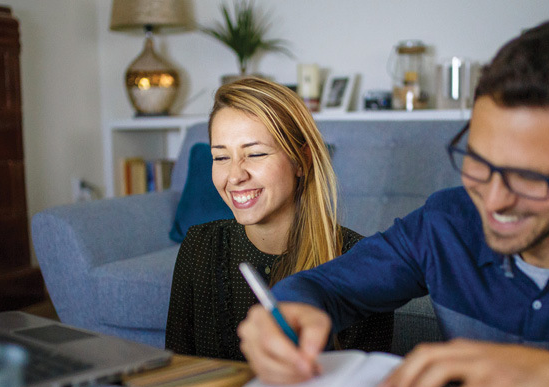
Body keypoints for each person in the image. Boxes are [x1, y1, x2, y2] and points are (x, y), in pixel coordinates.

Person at [237, 20, 549, 387]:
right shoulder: (446, 222)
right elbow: (327, 287)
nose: (493, 200)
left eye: (528, 177)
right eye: (478, 162)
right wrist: (293, 309)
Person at [165, 77, 393, 361]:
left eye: (256, 154)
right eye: (221, 158)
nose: (235, 176)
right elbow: (177, 369)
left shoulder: (358, 262)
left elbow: (363, 386)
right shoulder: (199, 246)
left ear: (302, 161)